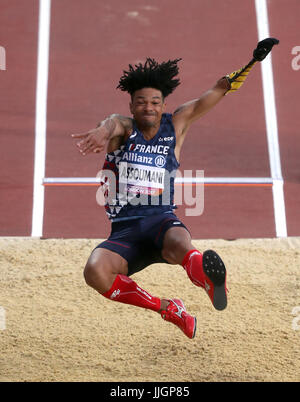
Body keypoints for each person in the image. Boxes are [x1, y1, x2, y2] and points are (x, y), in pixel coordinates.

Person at [71, 38, 279, 339]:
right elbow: (113, 122)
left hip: (161, 221)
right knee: (95, 272)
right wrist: (103, 130)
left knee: (182, 243)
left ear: (163, 105)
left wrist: (251, 63)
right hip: (124, 232)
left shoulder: (176, 125)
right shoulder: (123, 130)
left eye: (155, 102)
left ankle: (209, 280)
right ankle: (169, 308)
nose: (148, 107)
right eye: (141, 102)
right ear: (132, 105)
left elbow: (217, 90)